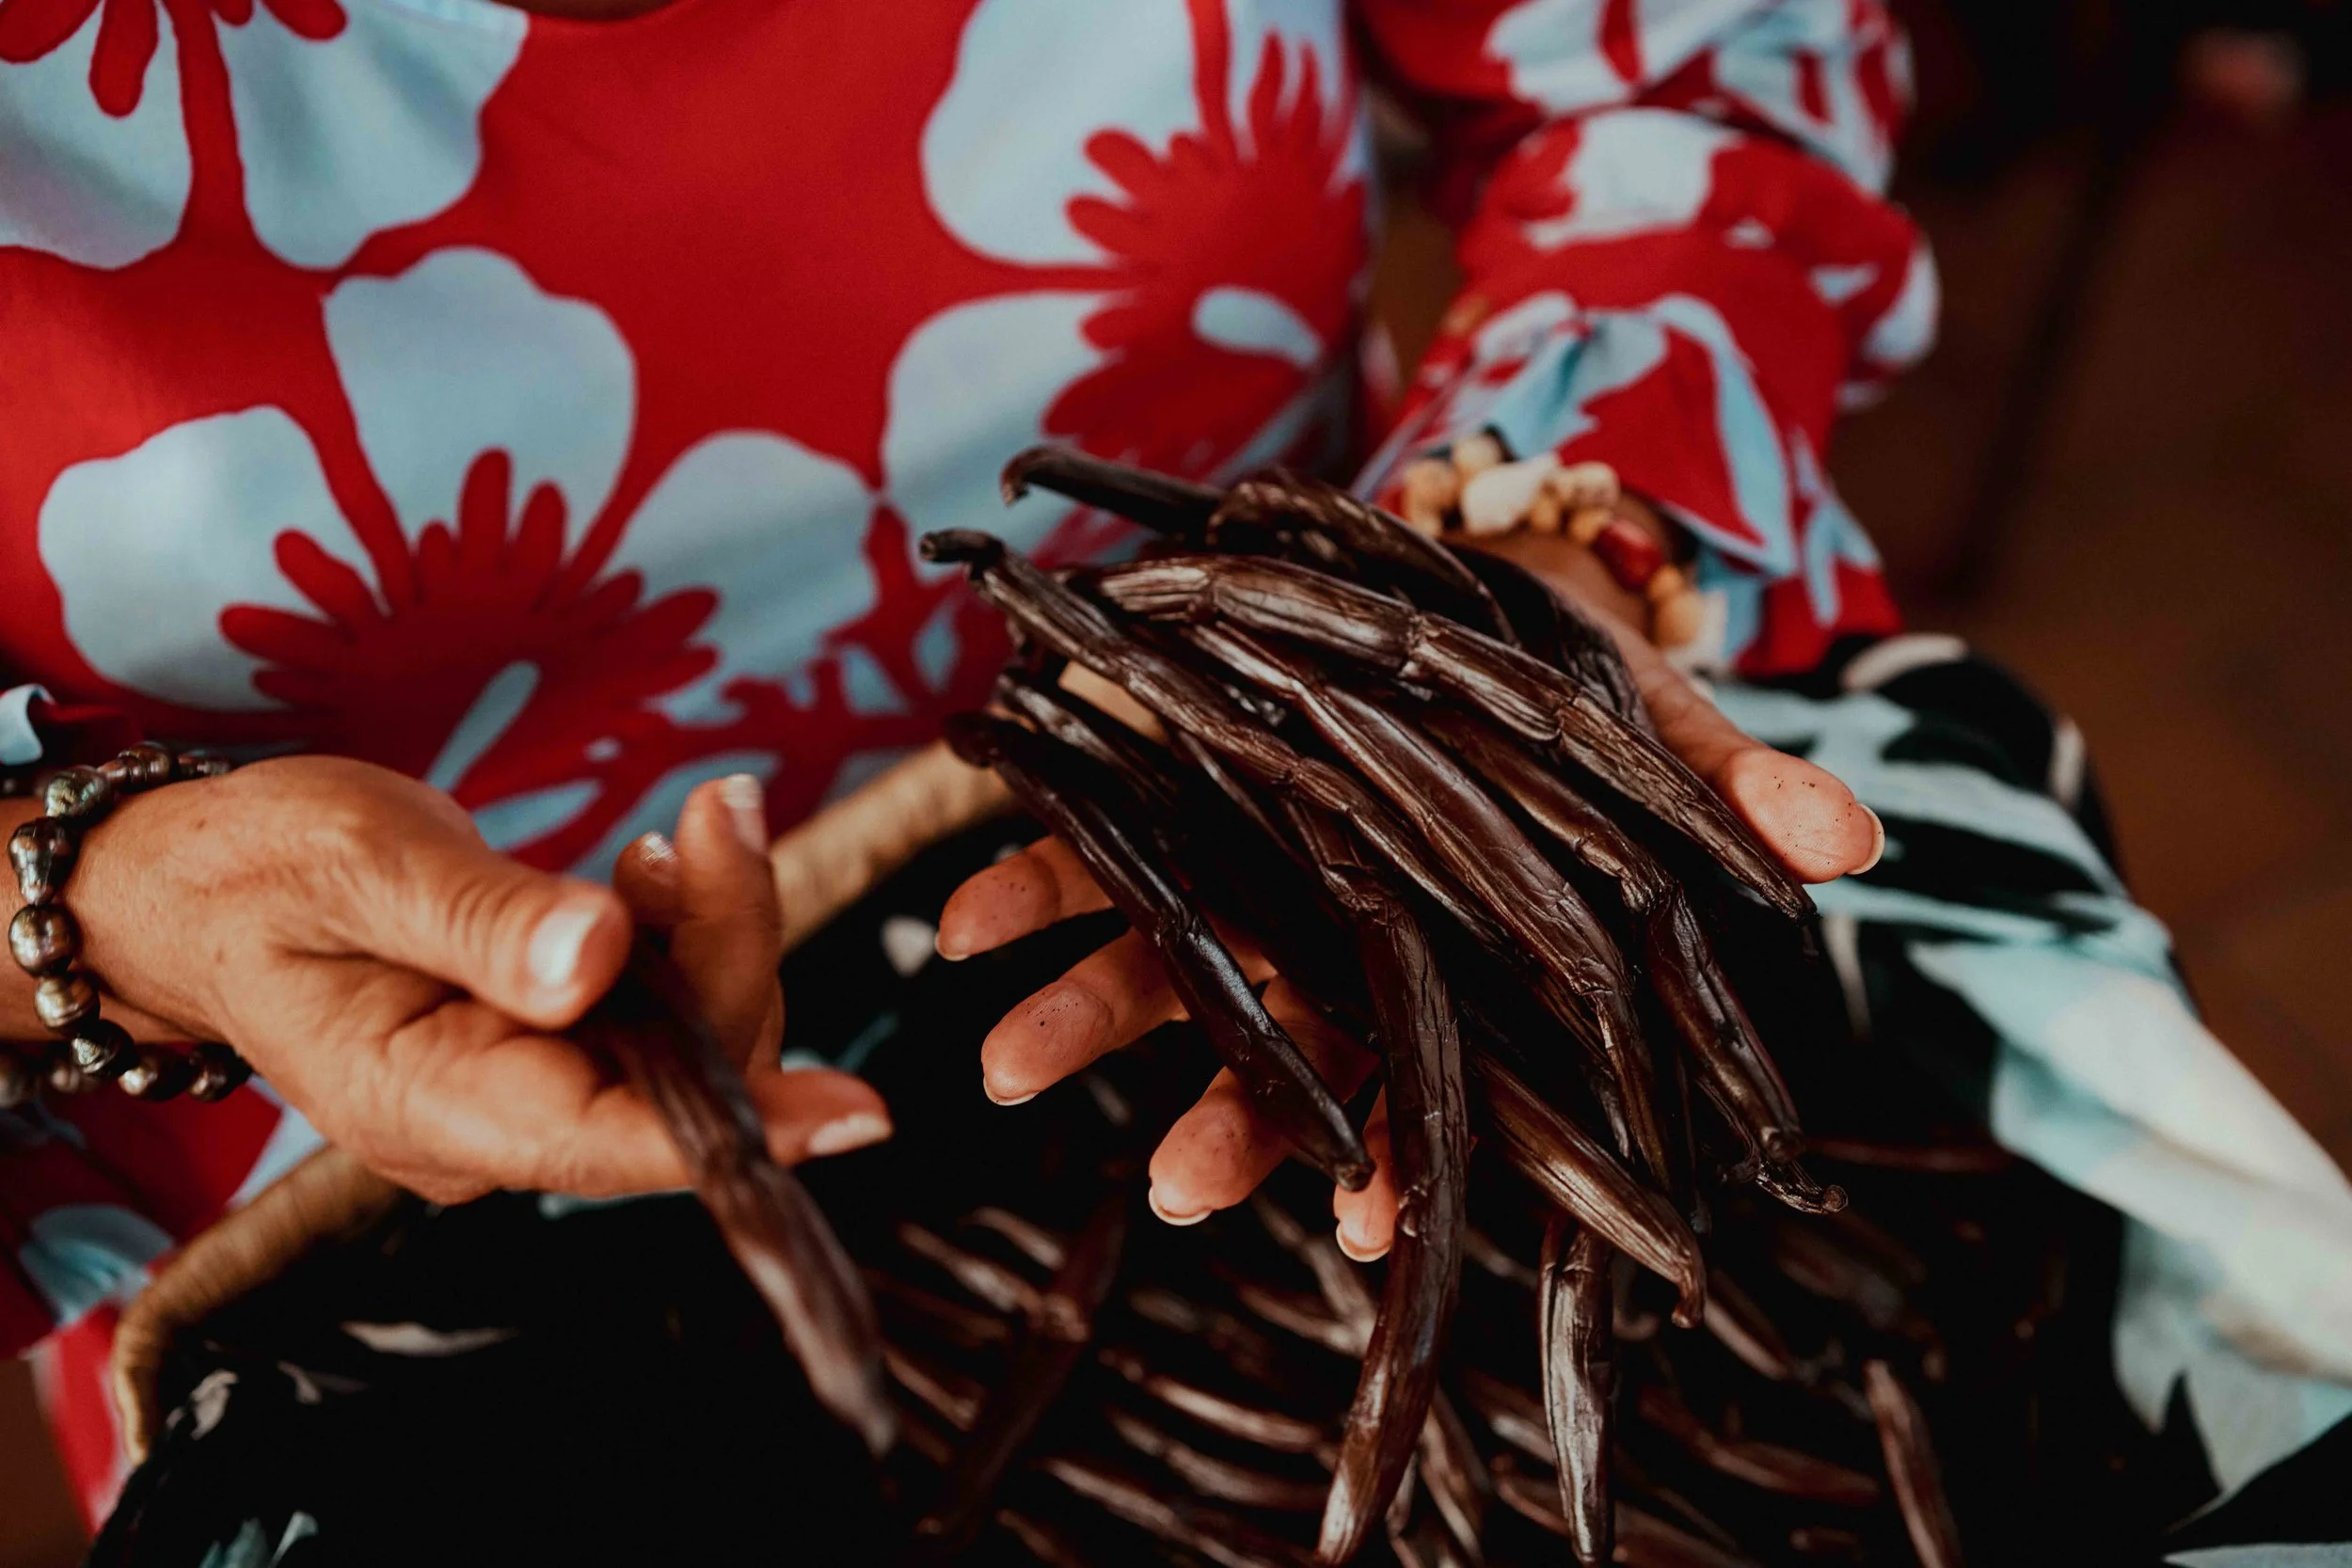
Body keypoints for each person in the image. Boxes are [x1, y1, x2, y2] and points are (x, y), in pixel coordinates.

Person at [5, 0, 2347, 1559]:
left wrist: (1550, 534)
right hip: (344, 1188)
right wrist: (84, 908)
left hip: (1346, 856)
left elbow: (1686, 61)